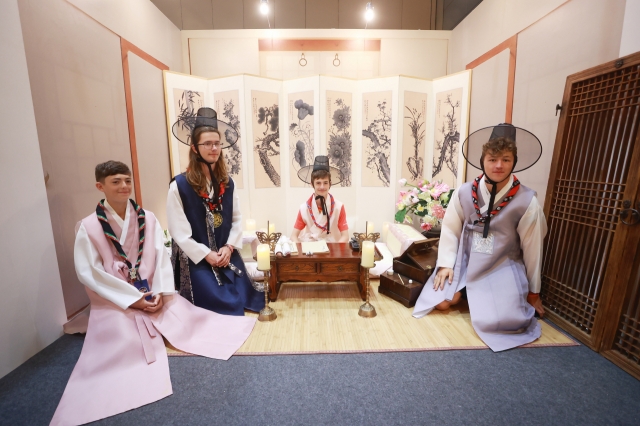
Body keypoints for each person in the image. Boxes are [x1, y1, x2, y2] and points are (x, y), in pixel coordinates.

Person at [51, 161, 256, 426]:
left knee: (187, 320)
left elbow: (161, 257)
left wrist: (159, 290)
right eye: (116, 182)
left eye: (127, 180)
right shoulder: (89, 227)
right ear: (100, 186)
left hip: (151, 291)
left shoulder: (147, 218)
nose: (124, 186)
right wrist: (132, 299)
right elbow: (89, 272)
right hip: (117, 300)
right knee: (122, 343)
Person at [412, 124, 547, 352]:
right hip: (465, 260)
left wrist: (534, 292)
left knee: (500, 322)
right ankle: (467, 293)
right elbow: (451, 230)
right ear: (482, 159)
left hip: (501, 265)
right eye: (492, 158)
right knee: (442, 303)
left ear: (514, 161)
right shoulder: (464, 192)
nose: (498, 165)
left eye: (505, 159)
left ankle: (479, 297)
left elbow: (533, 249)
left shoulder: (526, 200)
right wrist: (445, 264)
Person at [167, 107, 264, 315]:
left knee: (249, 296)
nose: (214, 148)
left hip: (225, 252)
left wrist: (229, 248)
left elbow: (237, 219)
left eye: (217, 143)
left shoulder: (227, 183)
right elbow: (179, 233)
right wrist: (207, 254)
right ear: (194, 148)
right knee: (222, 302)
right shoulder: (179, 186)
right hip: (198, 258)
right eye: (207, 144)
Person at [291, 155, 349, 243]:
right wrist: (301, 251)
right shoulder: (304, 208)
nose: (322, 187)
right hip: (311, 251)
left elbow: (345, 236)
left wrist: (336, 252)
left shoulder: (339, 207)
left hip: (332, 250)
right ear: (312, 184)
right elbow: (293, 236)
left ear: (330, 184)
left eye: (325, 183)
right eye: (318, 183)